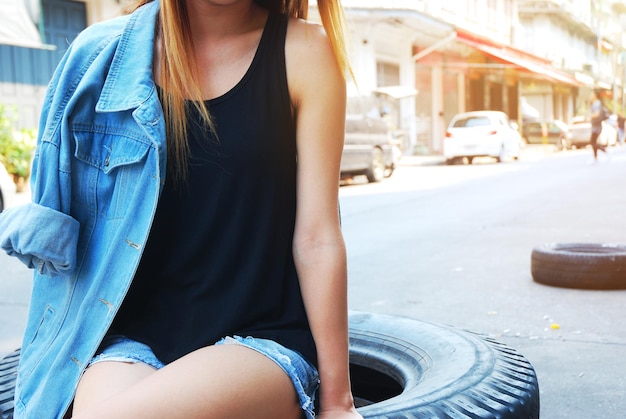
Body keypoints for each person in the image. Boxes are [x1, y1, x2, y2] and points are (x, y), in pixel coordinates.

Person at [0, 0, 362, 418]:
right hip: (134, 339)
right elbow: (64, 247)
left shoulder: (306, 53)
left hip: (262, 338)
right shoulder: (104, 57)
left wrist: (338, 401)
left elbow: (318, 238)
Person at [589, 89, 608, 161]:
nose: (590, 96)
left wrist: (589, 116)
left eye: (591, 94)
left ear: (595, 95)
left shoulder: (597, 103)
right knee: (593, 142)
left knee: (592, 142)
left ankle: (604, 151)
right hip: (595, 126)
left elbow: (597, 114)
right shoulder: (594, 103)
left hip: (597, 126)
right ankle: (595, 158)